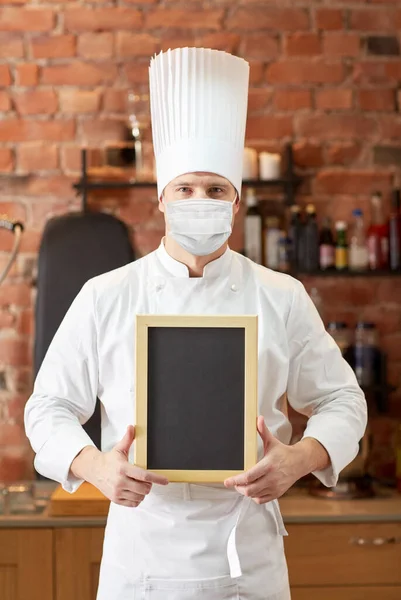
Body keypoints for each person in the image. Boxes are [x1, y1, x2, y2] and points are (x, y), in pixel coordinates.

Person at [24, 48, 367, 600]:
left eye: (215, 190)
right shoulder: (106, 296)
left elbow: (344, 401)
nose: (199, 201)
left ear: (236, 203)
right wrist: (94, 466)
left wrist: (299, 460)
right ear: (162, 199)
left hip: (247, 559)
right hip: (142, 560)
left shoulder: (281, 296)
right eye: (185, 188)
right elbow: (47, 408)